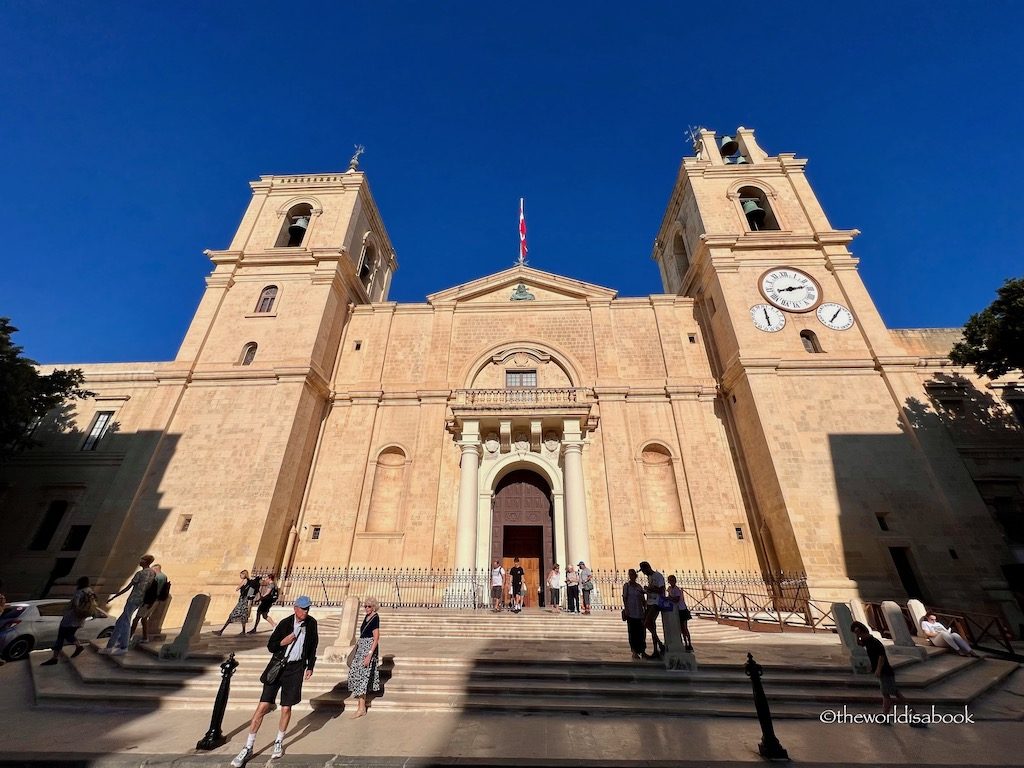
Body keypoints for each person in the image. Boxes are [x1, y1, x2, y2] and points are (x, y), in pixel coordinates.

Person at [230, 595, 318, 766]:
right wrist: (284, 642)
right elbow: (271, 646)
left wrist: (310, 666)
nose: (306, 612)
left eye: (307, 609)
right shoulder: (285, 623)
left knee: (286, 708)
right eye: (303, 609)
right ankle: (248, 746)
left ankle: (279, 741)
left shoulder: (311, 623)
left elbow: (313, 645)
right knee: (262, 706)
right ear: (295, 608)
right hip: (278, 667)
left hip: (295, 669)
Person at [851, 621, 926, 726]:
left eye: (859, 634)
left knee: (888, 695)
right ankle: (911, 713)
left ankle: (891, 716)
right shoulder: (867, 641)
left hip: (885, 671)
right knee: (893, 694)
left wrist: (878, 669)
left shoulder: (875, 642)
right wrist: (857, 633)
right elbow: (859, 643)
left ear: (863, 632)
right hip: (884, 672)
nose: (858, 637)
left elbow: (881, 657)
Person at [101, 554, 155, 656]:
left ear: (145, 561)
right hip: (141, 600)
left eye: (142, 559)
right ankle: (110, 645)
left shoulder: (140, 573)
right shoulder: (152, 573)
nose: (140, 561)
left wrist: (115, 596)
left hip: (133, 599)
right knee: (120, 621)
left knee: (126, 621)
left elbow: (128, 587)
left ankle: (124, 646)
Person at [40, 576, 96, 666]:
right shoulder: (90, 591)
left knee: (61, 637)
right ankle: (78, 646)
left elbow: (75, 605)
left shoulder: (79, 592)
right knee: (69, 635)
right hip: (80, 618)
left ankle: (55, 657)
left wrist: (67, 609)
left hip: (70, 618)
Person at [348, 596, 382, 718]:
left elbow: (376, 637)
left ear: (374, 607)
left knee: (362, 676)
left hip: (367, 650)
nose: (367, 608)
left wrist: (369, 655)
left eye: (369, 606)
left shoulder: (375, 618)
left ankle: (361, 708)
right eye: (365, 606)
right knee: (357, 674)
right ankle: (361, 706)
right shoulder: (367, 617)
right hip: (361, 648)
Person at [215, 570, 261, 636]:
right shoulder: (249, 581)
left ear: (244, 574)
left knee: (232, 615)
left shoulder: (245, 580)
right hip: (245, 601)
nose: (240, 576)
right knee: (243, 616)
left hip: (242, 600)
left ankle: (221, 631)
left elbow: (237, 588)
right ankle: (243, 631)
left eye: (241, 575)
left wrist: (241, 585)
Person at [132, 563, 168, 643]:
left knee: (136, 618)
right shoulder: (164, 577)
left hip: (149, 601)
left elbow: (151, 589)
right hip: (156, 601)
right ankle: (145, 637)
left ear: (156, 569)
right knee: (144, 619)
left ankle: (129, 636)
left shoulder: (156, 577)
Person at [638, 561, 666, 658]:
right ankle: (656, 648)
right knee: (650, 625)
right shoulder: (649, 577)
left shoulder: (658, 576)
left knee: (647, 622)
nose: (643, 573)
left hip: (657, 603)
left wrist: (650, 589)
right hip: (650, 602)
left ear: (648, 568)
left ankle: (659, 644)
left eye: (644, 571)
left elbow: (662, 590)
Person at [622, 568, 647, 660]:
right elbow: (624, 598)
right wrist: (626, 609)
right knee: (632, 632)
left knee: (641, 632)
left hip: (640, 612)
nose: (631, 576)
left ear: (635, 576)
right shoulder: (626, 586)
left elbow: (643, 599)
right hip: (631, 613)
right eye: (630, 574)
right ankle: (634, 651)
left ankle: (643, 650)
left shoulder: (639, 587)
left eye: (633, 574)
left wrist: (645, 609)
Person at [666, 574, 693, 651]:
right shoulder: (670, 589)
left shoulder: (677, 589)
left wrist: (670, 598)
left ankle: (689, 644)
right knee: (680, 628)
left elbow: (676, 599)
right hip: (676, 610)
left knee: (684, 627)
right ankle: (684, 643)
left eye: (672, 580)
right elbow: (670, 597)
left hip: (682, 610)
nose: (671, 582)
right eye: (670, 580)